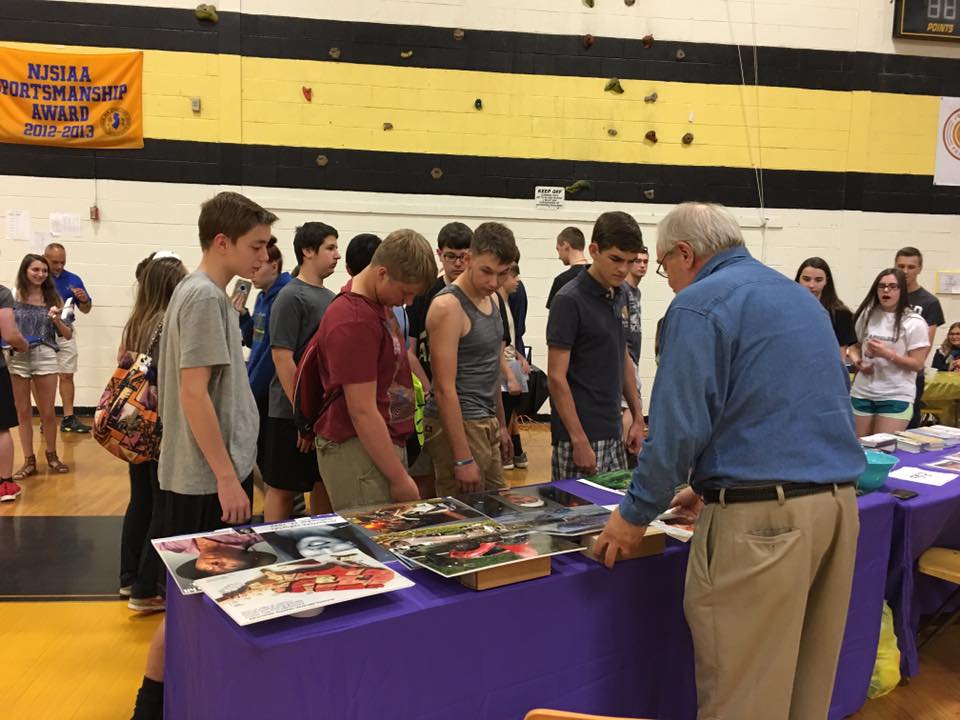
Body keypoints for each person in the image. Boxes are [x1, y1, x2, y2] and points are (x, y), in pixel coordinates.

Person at [594, 201, 865, 720]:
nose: (667, 280)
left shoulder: (699, 305)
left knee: (742, 699)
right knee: (803, 692)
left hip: (763, 526)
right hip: (836, 511)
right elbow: (787, 406)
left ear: (684, 253)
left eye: (663, 267)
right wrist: (705, 482)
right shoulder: (800, 299)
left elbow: (674, 429)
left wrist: (634, 514)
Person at [130, 191, 275, 720]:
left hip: (207, 477)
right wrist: (226, 477)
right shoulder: (204, 298)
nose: (263, 256)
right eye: (255, 245)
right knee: (195, 605)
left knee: (201, 603)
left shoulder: (203, 296)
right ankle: (151, 707)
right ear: (222, 242)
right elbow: (193, 393)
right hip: (201, 483)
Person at [313, 230, 437, 510]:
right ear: (382, 273)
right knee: (374, 542)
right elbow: (362, 410)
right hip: (358, 450)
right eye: (405, 292)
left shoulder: (375, 305)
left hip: (379, 445)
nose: (407, 302)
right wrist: (398, 477)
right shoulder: (354, 320)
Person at [546, 212, 645, 481]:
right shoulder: (569, 300)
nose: (623, 269)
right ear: (594, 250)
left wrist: (638, 418)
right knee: (575, 519)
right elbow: (556, 376)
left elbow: (622, 355)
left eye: (630, 261)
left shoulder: (622, 293)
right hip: (579, 434)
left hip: (613, 429)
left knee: (613, 514)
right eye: (615, 259)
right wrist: (578, 439)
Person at [423, 222, 518, 496]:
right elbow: (443, 388)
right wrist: (462, 457)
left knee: (499, 511)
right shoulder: (448, 306)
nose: (493, 282)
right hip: (459, 424)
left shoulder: (494, 299)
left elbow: (490, 369)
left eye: (502, 274)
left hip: (485, 419)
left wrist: (500, 424)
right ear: (468, 259)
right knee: (465, 521)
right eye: (486, 271)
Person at [117, 254, 189, 612]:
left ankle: (129, 578)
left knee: (139, 500)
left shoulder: (137, 320)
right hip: (159, 423)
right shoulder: (167, 321)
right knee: (162, 504)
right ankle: (147, 587)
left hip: (133, 423)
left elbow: (122, 365)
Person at [264, 222, 339, 521]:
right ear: (307, 251)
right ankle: (277, 554)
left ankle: (321, 549)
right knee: (283, 488)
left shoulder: (331, 297)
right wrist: (302, 416)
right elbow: (282, 358)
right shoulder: (290, 296)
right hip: (289, 414)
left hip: (319, 413)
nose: (337, 255)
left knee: (322, 484)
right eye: (330, 248)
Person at [9, 254, 74, 479]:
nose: (40, 274)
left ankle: (52, 455)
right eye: (35, 270)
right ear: (25, 271)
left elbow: (67, 334)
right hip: (17, 355)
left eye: (44, 271)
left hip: (45, 354)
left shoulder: (53, 297)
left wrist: (56, 319)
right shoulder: (13, 297)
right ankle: (29, 461)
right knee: (23, 411)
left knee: (47, 411)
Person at [848, 269, 930, 437]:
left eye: (893, 287)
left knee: (881, 450)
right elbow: (855, 347)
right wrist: (858, 362)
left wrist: (888, 354)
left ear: (902, 291)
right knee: (858, 448)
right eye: (882, 286)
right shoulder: (867, 314)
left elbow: (917, 364)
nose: (886, 291)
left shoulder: (914, 322)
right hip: (862, 392)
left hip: (895, 395)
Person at [237, 237, 291, 471]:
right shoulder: (261, 297)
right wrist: (243, 315)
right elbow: (255, 341)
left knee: (270, 457)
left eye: (258, 268)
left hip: (270, 392)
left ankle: (291, 503)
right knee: (258, 454)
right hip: (256, 387)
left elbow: (274, 354)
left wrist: (252, 390)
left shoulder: (283, 298)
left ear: (275, 266)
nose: (252, 274)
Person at [408, 221, 473, 380]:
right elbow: (409, 350)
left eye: (463, 256)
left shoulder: (482, 297)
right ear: (439, 254)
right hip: (430, 384)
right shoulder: (422, 293)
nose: (458, 263)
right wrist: (427, 388)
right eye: (450, 256)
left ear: (472, 255)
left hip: (467, 389)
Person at [43, 242, 93, 434]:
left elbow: (87, 309)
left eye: (62, 262)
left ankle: (69, 417)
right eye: (54, 262)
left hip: (65, 331)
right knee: (44, 377)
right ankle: (46, 417)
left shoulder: (73, 279)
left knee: (67, 374)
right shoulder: (38, 277)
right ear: (45, 257)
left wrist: (84, 300)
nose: (59, 266)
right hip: (42, 333)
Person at [895, 247, 944, 427]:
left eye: (911, 267)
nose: (905, 271)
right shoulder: (887, 294)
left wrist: (905, 362)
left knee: (908, 424)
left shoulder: (929, 302)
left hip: (910, 373)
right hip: (883, 374)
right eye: (901, 266)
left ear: (920, 269)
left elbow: (926, 345)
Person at [497, 263, 531, 471]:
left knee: (512, 412)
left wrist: (521, 356)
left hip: (510, 363)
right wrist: (509, 375)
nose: (517, 281)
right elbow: (497, 349)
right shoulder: (498, 303)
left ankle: (512, 450)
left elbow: (509, 341)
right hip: (503, 368)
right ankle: (506, 452)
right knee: (505, 414)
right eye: (513, 276)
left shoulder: (508, 303)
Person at [794, 256, 857, 362]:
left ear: (826, 281)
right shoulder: (787, 311)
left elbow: (839, 359)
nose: (811, 285)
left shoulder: (841, 314)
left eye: (818, 280)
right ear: (798, 279)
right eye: (806, 279)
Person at [0, 283, 28, 502]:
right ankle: (5, 484)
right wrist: (23, 345)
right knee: (1, 428)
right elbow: (10, 334)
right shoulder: (1, 293)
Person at [621, 244, 648, 444]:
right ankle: (623, 445)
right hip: (625, 356)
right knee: (631, 404)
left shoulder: (636, 292)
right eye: (638, 261)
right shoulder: (622, 290)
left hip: (634, 356)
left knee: (631, 404)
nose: (642, 265)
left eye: (646, 262)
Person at [545, 226, 589, 308]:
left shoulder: (562, 280)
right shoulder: (598, 277)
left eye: (558, 249)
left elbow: (555, 318)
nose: (559, 257)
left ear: (565, 246)